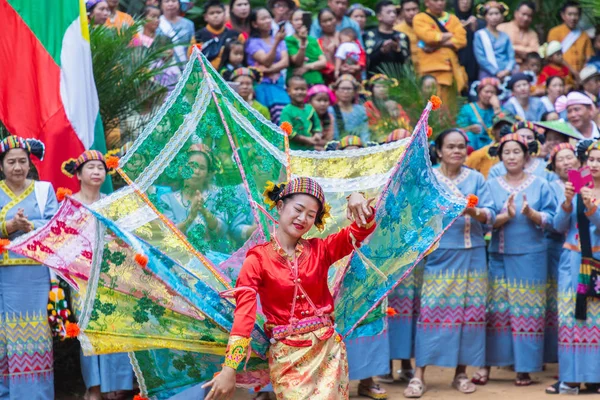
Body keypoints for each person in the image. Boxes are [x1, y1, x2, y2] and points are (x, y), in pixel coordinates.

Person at [202, 177, 377, 400]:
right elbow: (243, 316)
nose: (303, 218)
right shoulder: (257, 259)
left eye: (311, 215)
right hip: (287, 358)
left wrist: (356, 197)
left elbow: (360, 230)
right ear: (281, 205)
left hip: (328, 353)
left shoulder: (321, 250)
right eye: (298, 209)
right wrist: (229, 369)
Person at [405, 129, 495, 398]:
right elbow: (416, 215)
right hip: (439, 255)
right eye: (451, 147)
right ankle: (418, 376)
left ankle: (461, 374)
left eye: (461, 147)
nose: (457, 151)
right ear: (439, 150)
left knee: (469, 316)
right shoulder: (429, 178)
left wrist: (472, 211)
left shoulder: (476, 178)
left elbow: (491, 213)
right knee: (432, 313)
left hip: (474, 254)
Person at [472, 134, 556, 387]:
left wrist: (532, 214)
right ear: (500, 157)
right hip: (499, 253)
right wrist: (505, 216)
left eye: (516, 152)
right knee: (496, 310)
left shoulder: (541, 183)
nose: (511, 156)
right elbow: (487, 220)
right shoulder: (491, 183)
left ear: (526, 156)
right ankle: (486, 366)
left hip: (532, 256)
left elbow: (552, 219)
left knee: (528, 312)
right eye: (506, 152)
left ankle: (524, 368)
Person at [62, 151, 135, 400]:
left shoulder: (112, 203)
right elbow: (63, 244)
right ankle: (93, 388)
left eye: (100, 168)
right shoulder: (69, 205)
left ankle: (116, 387)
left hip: (111, 278)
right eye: (90, 167)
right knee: (89, 333)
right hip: (81, 279)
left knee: (115, 330)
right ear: (79, 174)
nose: (96, 172)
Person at [0, 136, 58, 400]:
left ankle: (36, 395)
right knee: (4, 338)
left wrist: (30, 226)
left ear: (29, 163)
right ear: (1, 166)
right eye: (11, 161)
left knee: (36, 337)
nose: (17, 167)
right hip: (4, 275)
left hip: (35, 275)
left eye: (22, 161)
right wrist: (9, 226)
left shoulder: (44, 190)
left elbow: (56, 228)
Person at [547, 140, 600, 394]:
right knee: (570, 319)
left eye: (599, 160)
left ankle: (595, 378)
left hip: (597, 263)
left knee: (595, 321)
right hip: (572, 261)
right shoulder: (577, 183)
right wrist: (567, 202)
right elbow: (558, 226)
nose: (595, 165)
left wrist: (592, 208)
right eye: (591, 160)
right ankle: (569, 378)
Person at [542, 143, 581, 368]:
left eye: (570, 158)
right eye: (561, 159)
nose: (566, 162)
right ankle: (558, 359)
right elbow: (554, 221)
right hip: (556, 248)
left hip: (584, 248)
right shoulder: (550, 185)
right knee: (559, 304)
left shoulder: (586, 183)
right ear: (554, 165)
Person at [413, 0, 468, 102]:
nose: (440, 3)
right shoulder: (420, 18)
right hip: (430, 70)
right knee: (431, 106)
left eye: (442, 0)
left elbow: (462, 41)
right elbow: (429, 37)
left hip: (451, 70)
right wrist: (451, 35)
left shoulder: (453, 19)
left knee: (450, 108)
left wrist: (436, 43)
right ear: (426, 2)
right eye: (435, 0)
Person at [245, 8, 290, 124]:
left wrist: (265, 70)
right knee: (266, 120)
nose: (268, 21)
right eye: (263, 18)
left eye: (269, 17)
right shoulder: (252, 42)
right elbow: (266, 61)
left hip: (278, 84)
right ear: (255, 24)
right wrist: (276, 43)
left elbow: (285, 62)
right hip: (262, 85)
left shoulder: (279, 38)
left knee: (284, 116)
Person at [488, 121, 557, 180]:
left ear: (536, 142)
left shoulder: (546, 169)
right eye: (521, 137)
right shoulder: (497, 170)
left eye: (529, 138)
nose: (525, 141)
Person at [363, 1, 411, 78]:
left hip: (397, 80)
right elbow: (366, 61)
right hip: (374, 81)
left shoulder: (402, 36)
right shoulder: (369, 36)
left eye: (394, 12)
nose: (393, 15)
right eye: (388, 12)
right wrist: (381, 51)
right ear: (379, 16)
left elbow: (406, 63)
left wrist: (397, 50)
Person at [547, 1, 594, 75]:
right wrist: (574, 72)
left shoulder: (584, 36)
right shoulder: (554, 32)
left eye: (576, 14)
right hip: (561, 74)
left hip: (581, 76)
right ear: (563, 15)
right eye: (570, 14)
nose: (573, 18)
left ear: (580, 16)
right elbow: (554, 57)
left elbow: (589, 58)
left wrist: (583, 74)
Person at [195, 0, 245, 70]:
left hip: (231, 74)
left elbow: (244, 60)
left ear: (224, 14)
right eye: (212, 13)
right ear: (205, 17)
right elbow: (194, 61)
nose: (216, 15)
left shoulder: (237, 36)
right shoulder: (197, 37)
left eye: (219, 12)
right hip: (206, 76)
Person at [457, 77, 504, 150]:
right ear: (479, 92)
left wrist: (496, 108)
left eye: (492, 92)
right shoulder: (467, 108)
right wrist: (470, 128)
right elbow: (458, 129)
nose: (489, 95)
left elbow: (504, 128)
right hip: (474, 144)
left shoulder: (500, 109)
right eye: (486, 92)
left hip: (493, 145)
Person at [473, 1, 516, 80]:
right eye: (491, 14)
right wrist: (496, 72)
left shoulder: (505, 36)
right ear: (485, 16)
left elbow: (511, 56)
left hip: (506, 74)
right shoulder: (480, 35)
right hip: (488, 74)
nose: (494, 17)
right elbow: (481, 58)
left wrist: (507, 70)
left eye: (497, 13)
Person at [280, 76, 325, 150]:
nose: (300, 92)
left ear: (307, 90)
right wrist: (307, 140)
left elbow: (317, 125)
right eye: (296, 89)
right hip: (293, 150)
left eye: (303, 89)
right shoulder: (287, 110)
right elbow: (288, 132)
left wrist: (317, 134)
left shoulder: (310, 108)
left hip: (310, 150)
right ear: (288, 91)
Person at [363, 74, 411, 142]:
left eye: (384, 86)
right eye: (378, 86)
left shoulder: (395, 105)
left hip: (397, 139)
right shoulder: (368, 106)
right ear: (372, 89)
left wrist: (395, 115)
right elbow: (370, 126)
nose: (381, 89)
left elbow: (406, 124)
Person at [285, 9, 327, 85]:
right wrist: (303, 41)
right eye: (296, 20)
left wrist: (307, 66)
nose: (300, 22)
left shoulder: (313, 40)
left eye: (302, 19)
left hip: (317, 81)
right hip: (297, 83)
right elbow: (298, 62)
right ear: (291, 22)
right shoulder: (288, 41)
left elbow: (323, 62)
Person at [497, 1, 540, 66]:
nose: (526, 18)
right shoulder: (502, 28)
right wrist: (524, 51)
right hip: (502, 67)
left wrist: (513, 48)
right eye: (523, 14)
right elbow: (499, 49)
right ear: (516, 13)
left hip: (525, 69)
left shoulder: (532, 34)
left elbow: (535, 52)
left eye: (529, 16)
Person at [329, 74, 370, 142]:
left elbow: (364, 132)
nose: (345, 92)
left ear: (354, 92)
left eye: (349, 89)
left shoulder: (361, 110)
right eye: (342, 88)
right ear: (336, 91)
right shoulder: (331, 110)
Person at [454, 0, 485, 84]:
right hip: (456, 63)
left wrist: (475, 30)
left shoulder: (479, 22)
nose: (465, 2)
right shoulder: (449, 22)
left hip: (476, 65)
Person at [159, 0, 195, 68]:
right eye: (167, 1)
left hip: (184, 67)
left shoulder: (189, 24)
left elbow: (192, 47)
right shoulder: (156, 24)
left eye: (174, 1)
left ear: (179, 4)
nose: (170, 4)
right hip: (162, 69)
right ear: (161, 5)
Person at [316, 8, 340, 83]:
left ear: (336, 19)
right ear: (320, 24)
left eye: (330, 19)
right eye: (324, 21)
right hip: (326, 80)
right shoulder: (317, 43)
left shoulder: (347, 37)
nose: (328, 23)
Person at [395, 0, 421, 69]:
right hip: (407, 72)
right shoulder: (396, 30)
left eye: (414, 9)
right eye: (408, 10)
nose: (411, 13)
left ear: (419, 10)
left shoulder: (428, 26)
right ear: (402, 12)